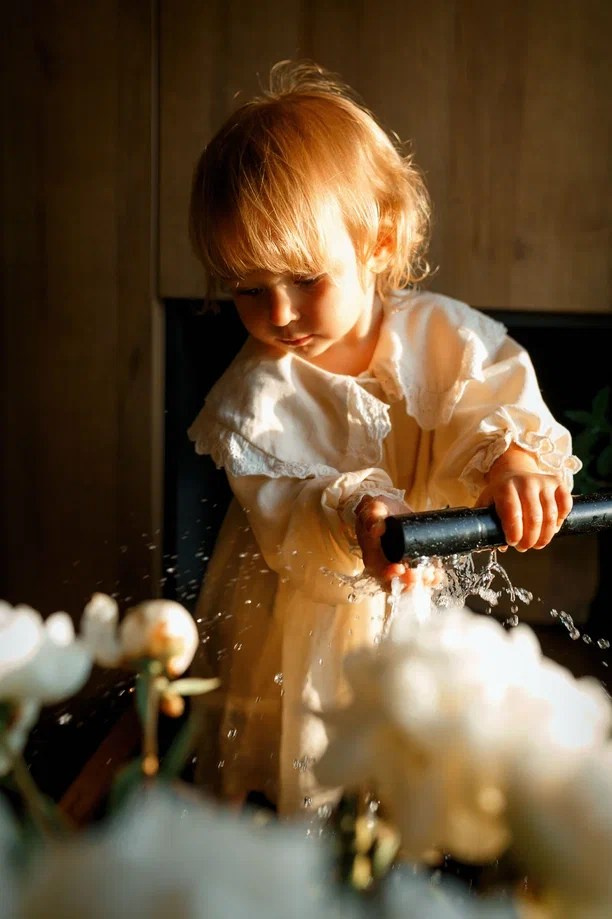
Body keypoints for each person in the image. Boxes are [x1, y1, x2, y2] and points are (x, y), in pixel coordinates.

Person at [186, 61, 580, 815]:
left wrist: (513, 462)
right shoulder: (256, 392)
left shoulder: (442, 335)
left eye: (305, 279)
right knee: (297, 764)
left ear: (378, 240)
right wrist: (354, 514)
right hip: (293, 616)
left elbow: (491, 397)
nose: (278, 313)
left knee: (415, 763)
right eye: (247, 287)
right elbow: (287, 510)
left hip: (414, 604)